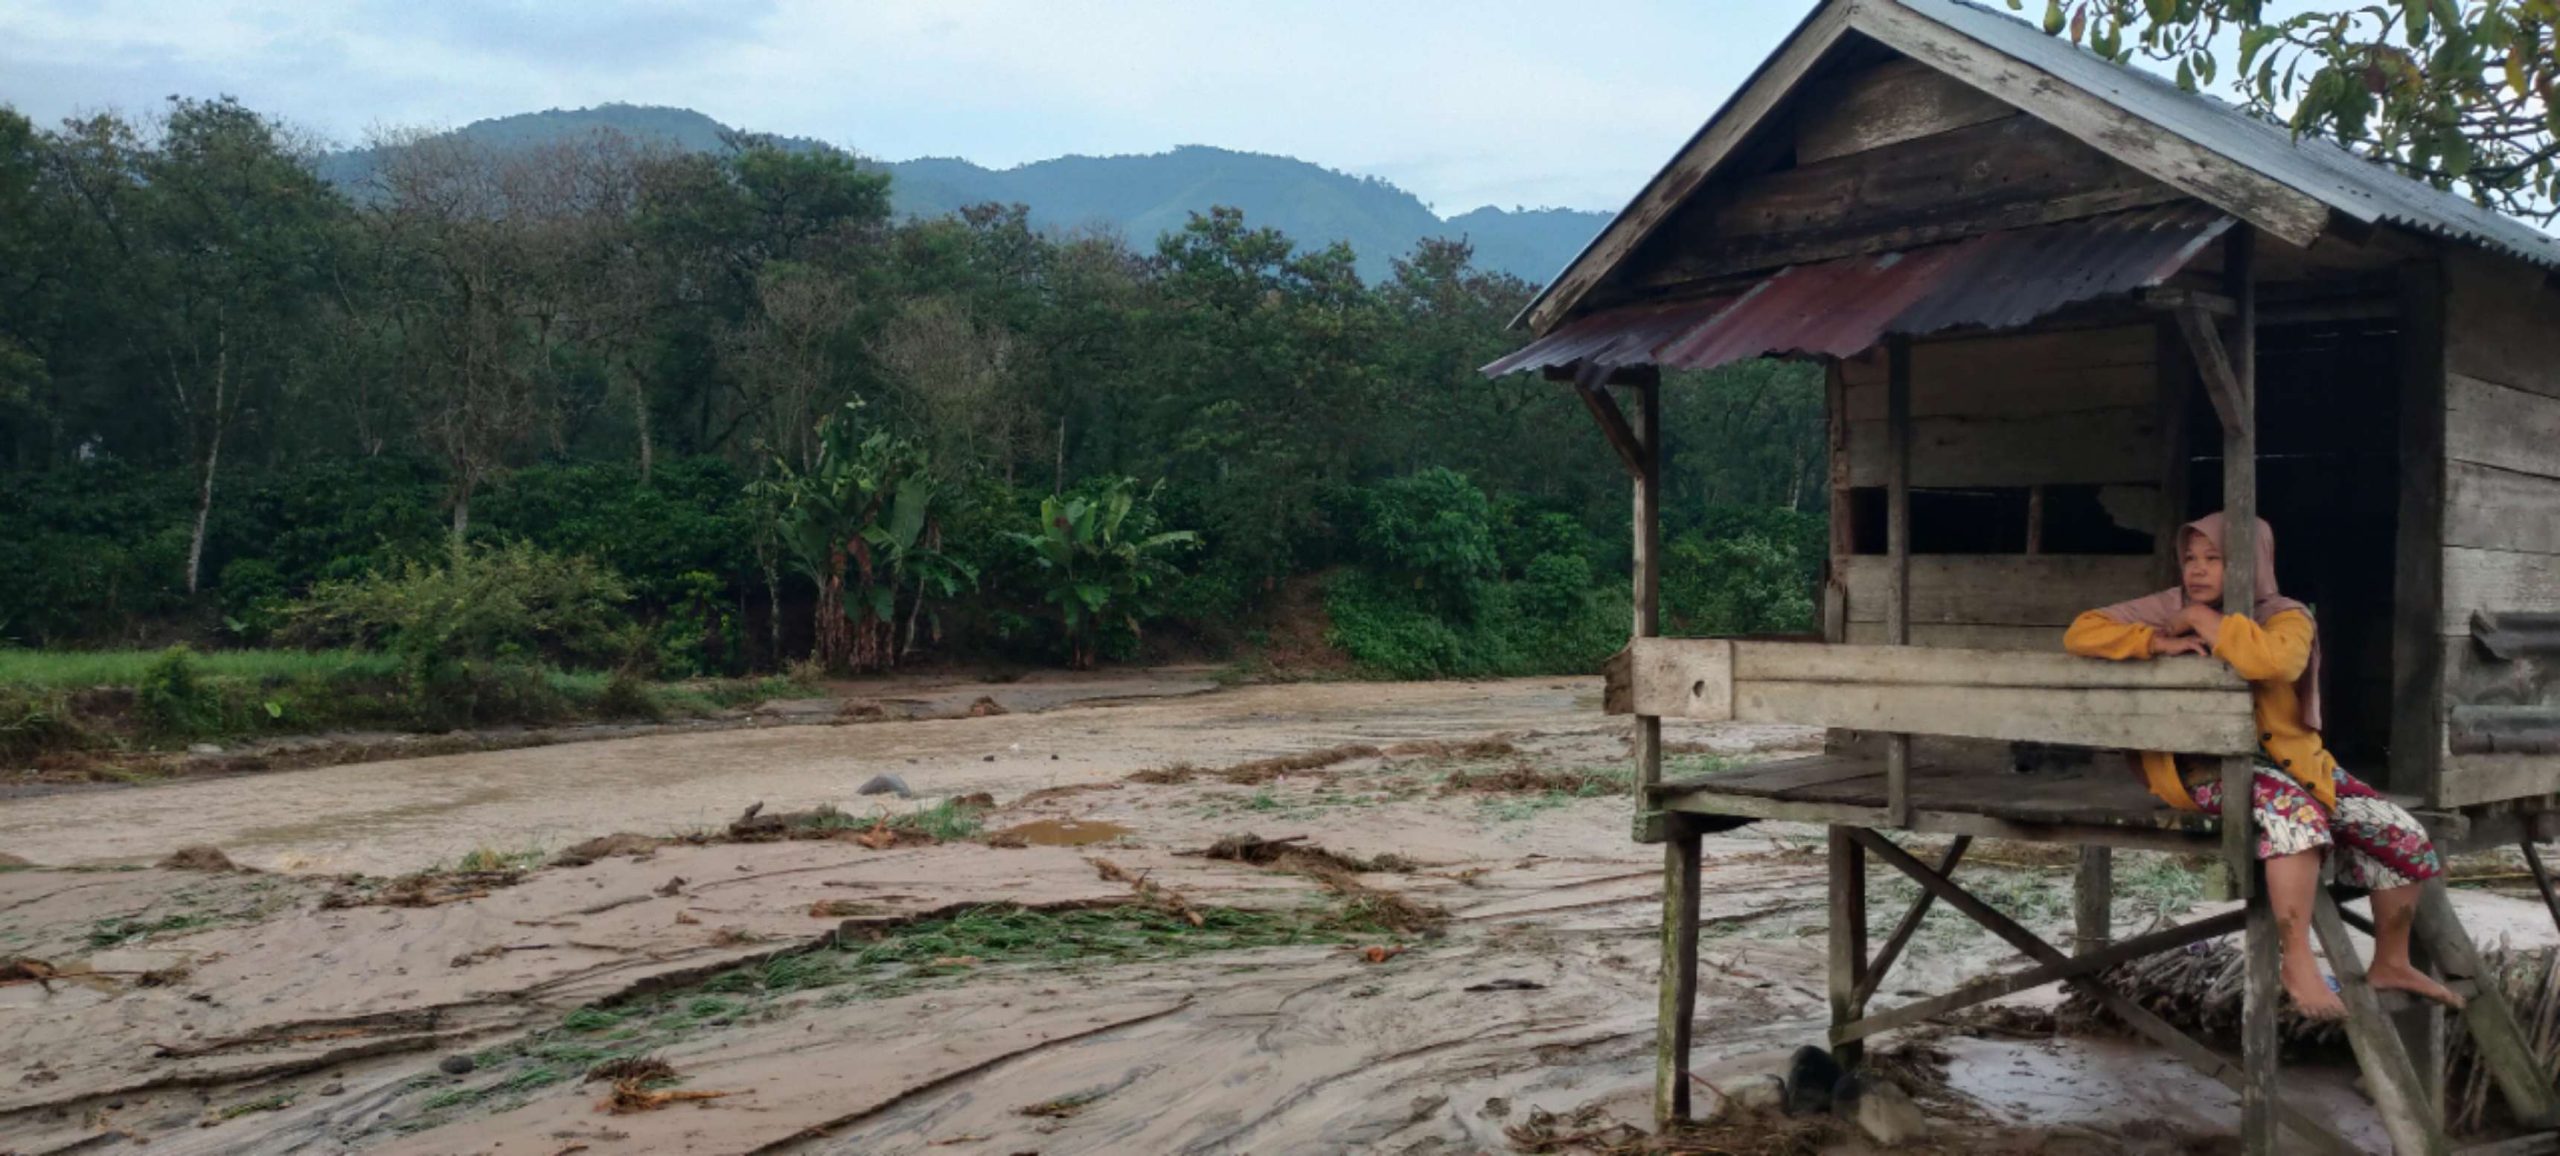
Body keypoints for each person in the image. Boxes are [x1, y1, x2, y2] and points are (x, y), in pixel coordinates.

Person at [2063, 512, 2463, 1019]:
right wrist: (2155, 641)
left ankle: (2392, 960)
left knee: (2402, 833)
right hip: (2204, 771)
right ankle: (2297, 962)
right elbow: (2080, 632)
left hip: (2297, 765)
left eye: (2216, 558)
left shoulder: (2286, 615)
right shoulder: (2165, 607)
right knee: (2298, 821)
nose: (2198, 570)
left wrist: (2207, 622)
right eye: (2191, 558)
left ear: (2253, 563)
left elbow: (2275, 663)